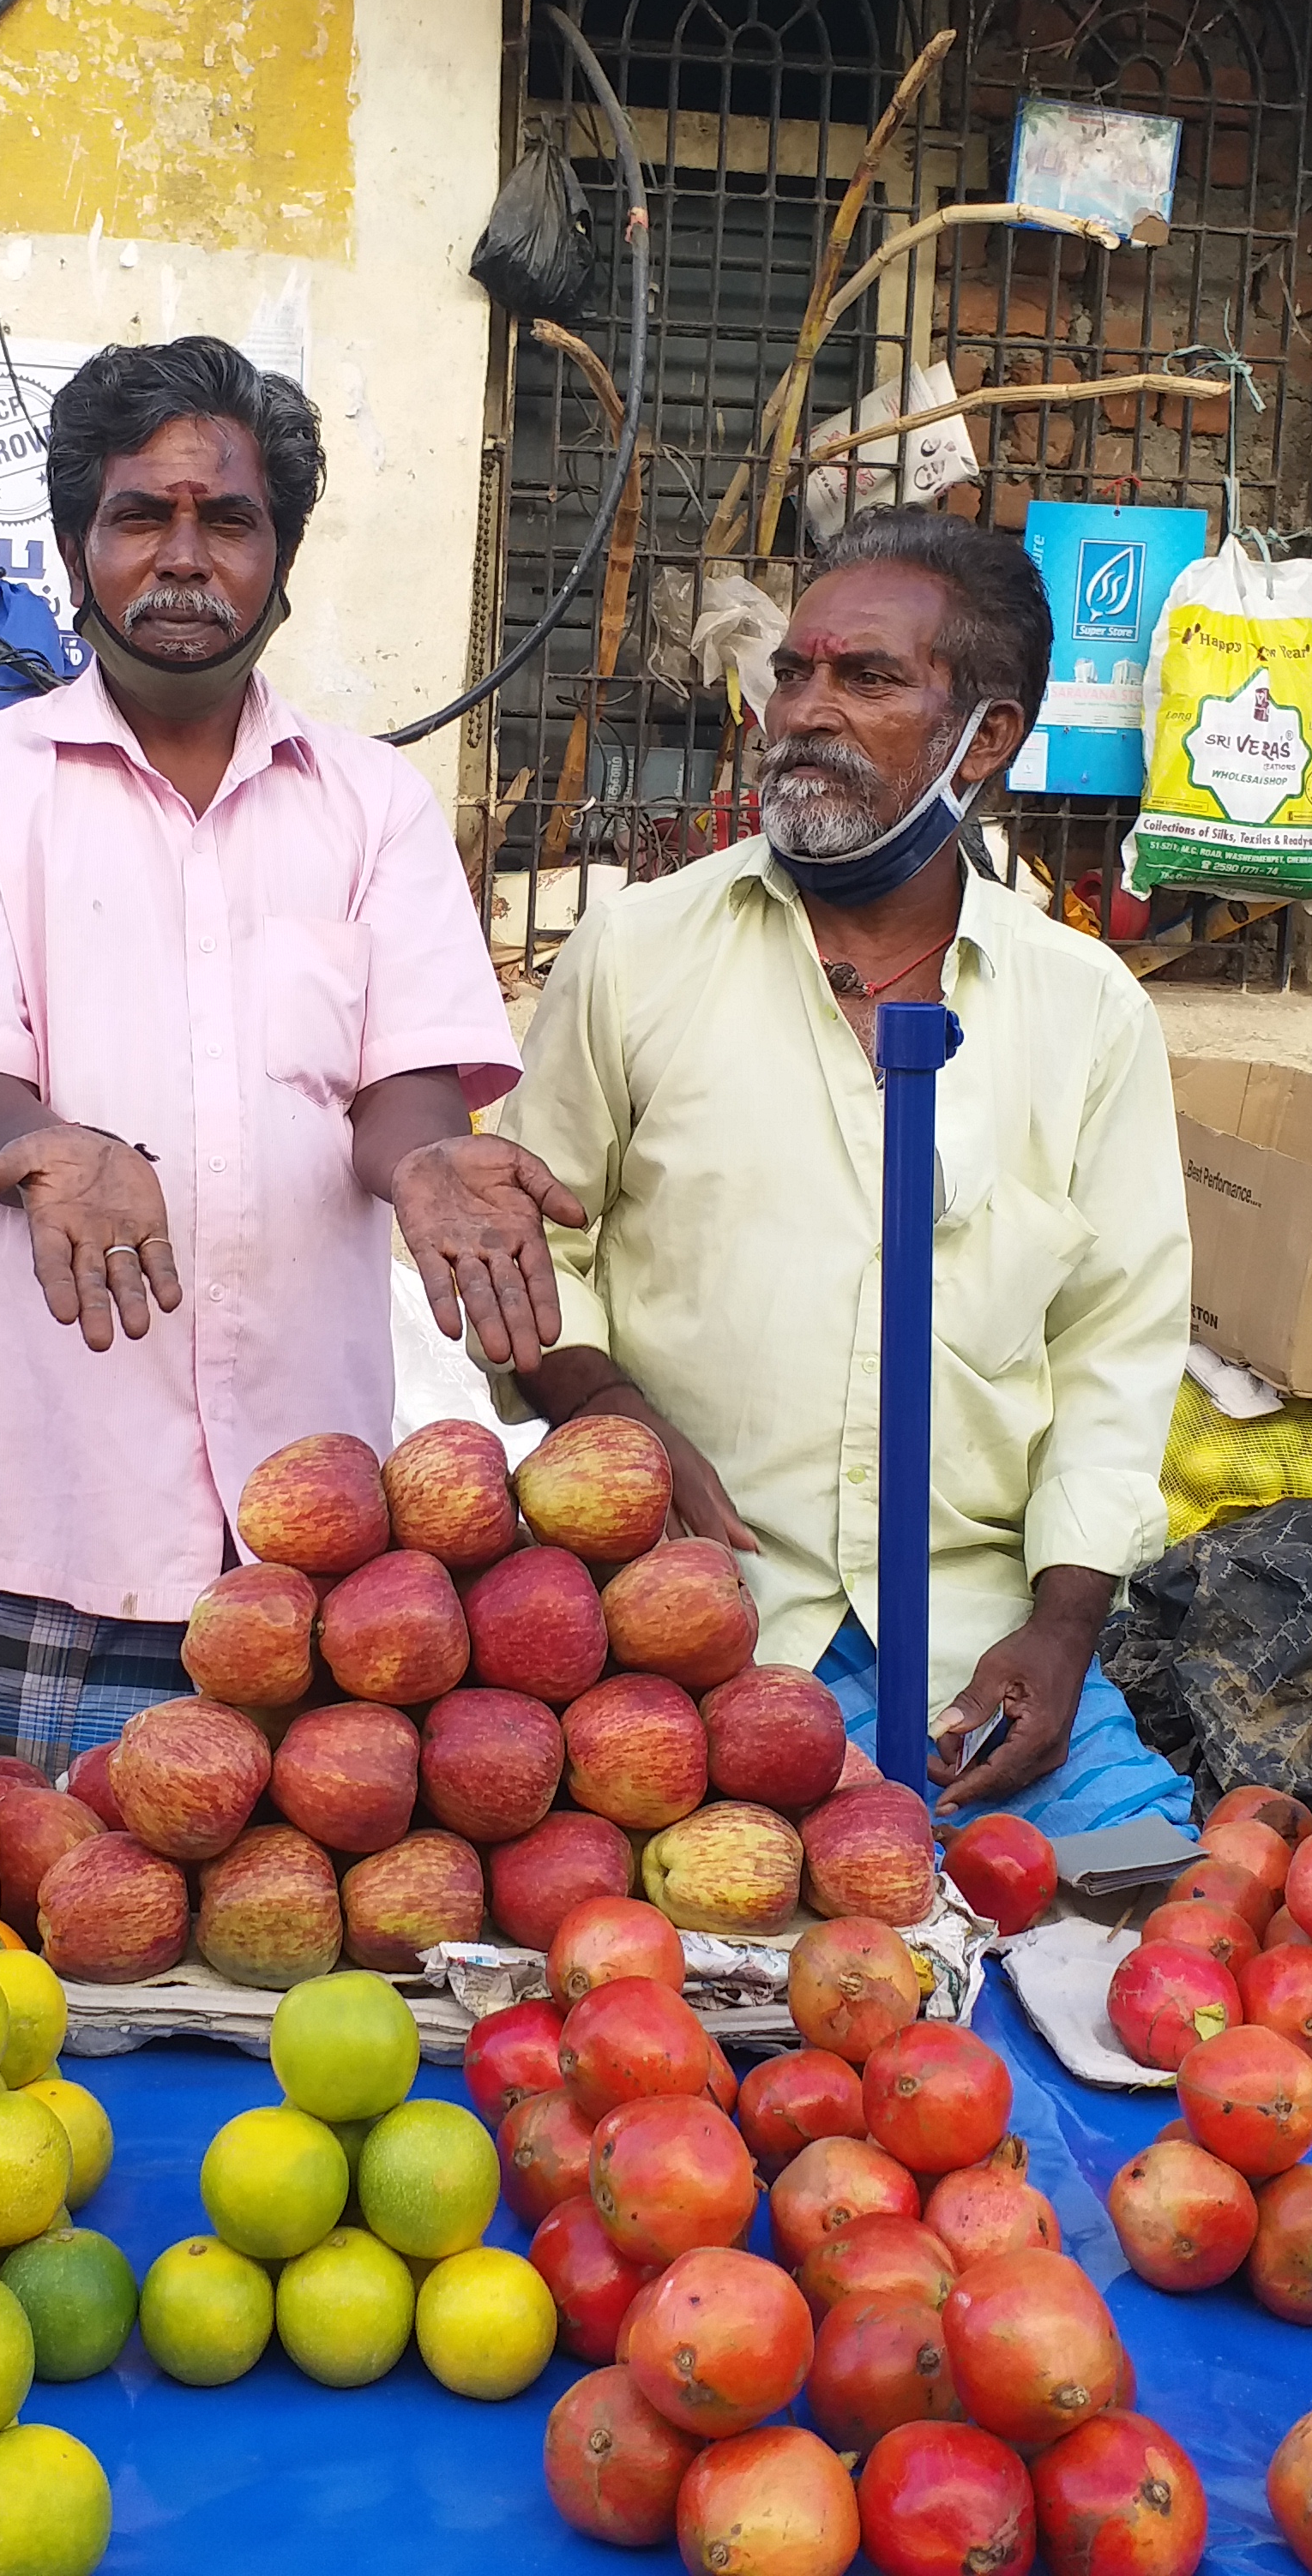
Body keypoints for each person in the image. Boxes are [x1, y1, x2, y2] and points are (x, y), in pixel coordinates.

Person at [0, 337, 577, 1771]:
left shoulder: (369, 805)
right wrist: (55, 1149)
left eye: (226, 519)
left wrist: (431, 1163)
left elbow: (402, 1087)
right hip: (59, 1527)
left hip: (320, 1546)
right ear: (75, 548)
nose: (182, 556)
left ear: (280, 563)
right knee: (43, 1958)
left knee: (306, 1965)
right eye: (139, 516)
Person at [492, 506, 1195, 1830]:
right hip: (687, 1631)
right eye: (794, 671)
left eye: (866, 679)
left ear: (983, 738)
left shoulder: (1085, 1009)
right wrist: (605, 1409)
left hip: (970, 1650)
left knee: (1144, 1944)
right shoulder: (638, 953)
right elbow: (538, 1240)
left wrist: (1061, 1631)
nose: (800, 711)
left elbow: (1117, 1349)